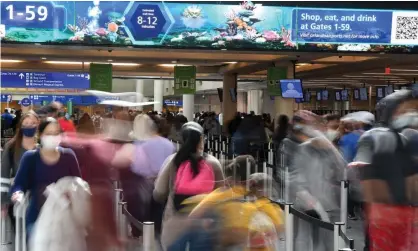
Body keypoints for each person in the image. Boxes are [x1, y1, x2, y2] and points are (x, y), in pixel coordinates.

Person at [349, 90, 418, 251]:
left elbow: (412, 179)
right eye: (406, 110)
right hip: (384, 215)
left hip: (406, 215)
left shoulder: (405, 139)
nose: (412, 114)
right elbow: (361, 173)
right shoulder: (373, 137)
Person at [153, 122, 224, 249]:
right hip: (205, 222)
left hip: (176, 221)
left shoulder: (173, 161)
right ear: (201, 139)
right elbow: (221, 194)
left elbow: (159, 192)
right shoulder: (213, 163)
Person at [10, 118, 81, 238]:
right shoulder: (30, 158)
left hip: (65, 220)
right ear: (40, 135)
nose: (52, 137)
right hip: (37, 218)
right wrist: (18, 193)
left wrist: (72, 193)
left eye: (56, 133)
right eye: (48, 134)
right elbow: (19, 183)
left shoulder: (69, 156)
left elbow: (79, 184)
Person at [1, 112, 39, 231]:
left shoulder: (41, 147)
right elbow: (4, 175)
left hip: (39, 200)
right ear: (21, 126)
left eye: (33, 123)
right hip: (17, 199)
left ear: (38, 125)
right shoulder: (11, 147)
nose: (29, 126)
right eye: (26, 123)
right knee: (20, 236)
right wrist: (3, 202)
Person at [30, 177, 91, 251]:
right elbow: (83, 217)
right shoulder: (78, 186)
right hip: (67, 239)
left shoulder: (52, 198)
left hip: (43, 238)